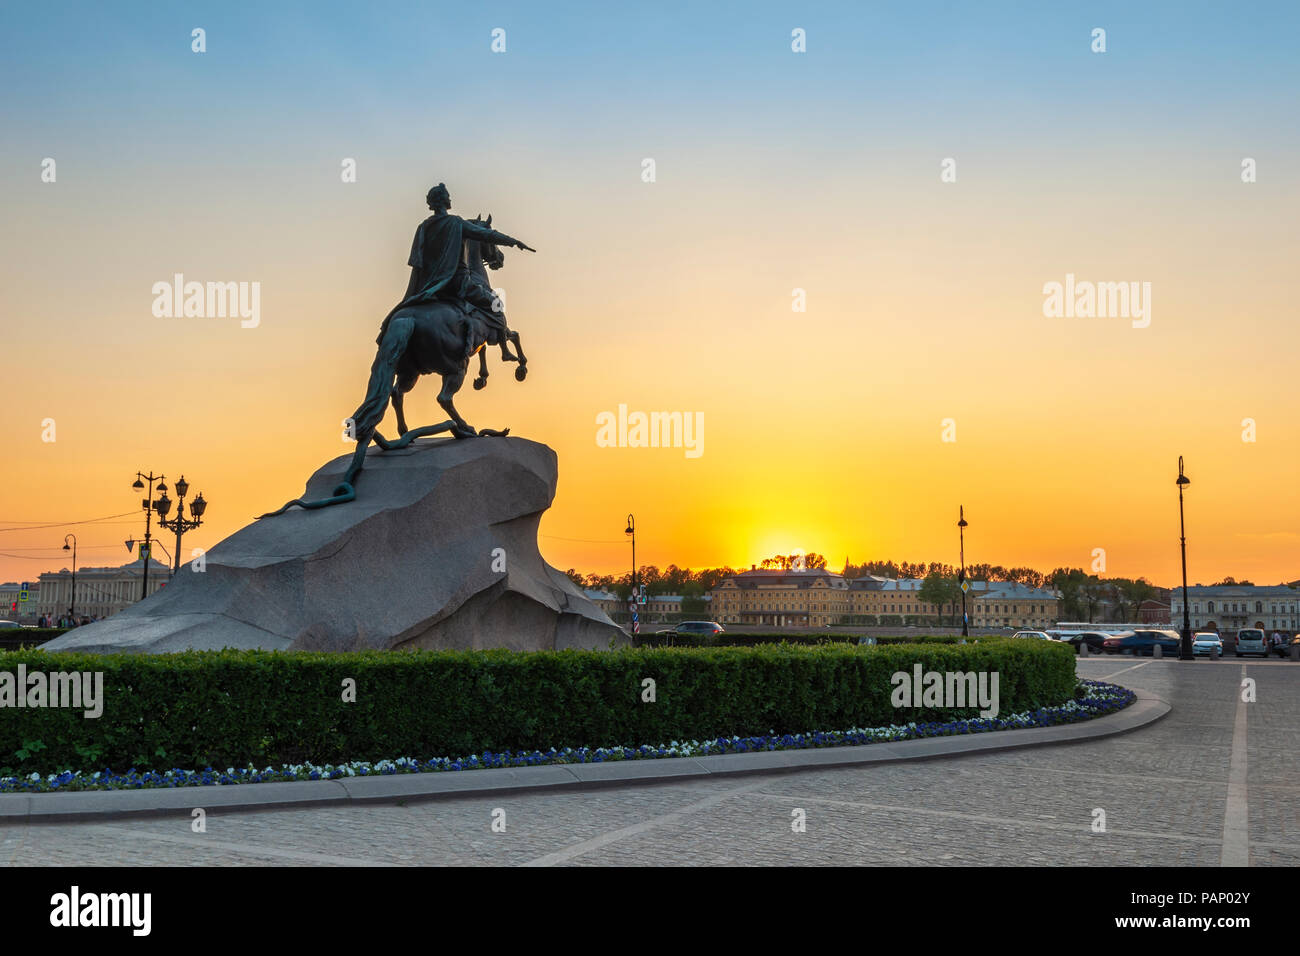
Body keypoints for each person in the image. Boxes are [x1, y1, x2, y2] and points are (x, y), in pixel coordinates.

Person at [377, 183, 534, 357]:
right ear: (445, 201)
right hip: (457, 284)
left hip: (429, 287)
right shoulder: (456, 223)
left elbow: (418, 262)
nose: (450, 199)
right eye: (448, 197)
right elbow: (486, 235)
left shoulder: (423, 227)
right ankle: (505, 350)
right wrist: (513, 242)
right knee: (496, 306)